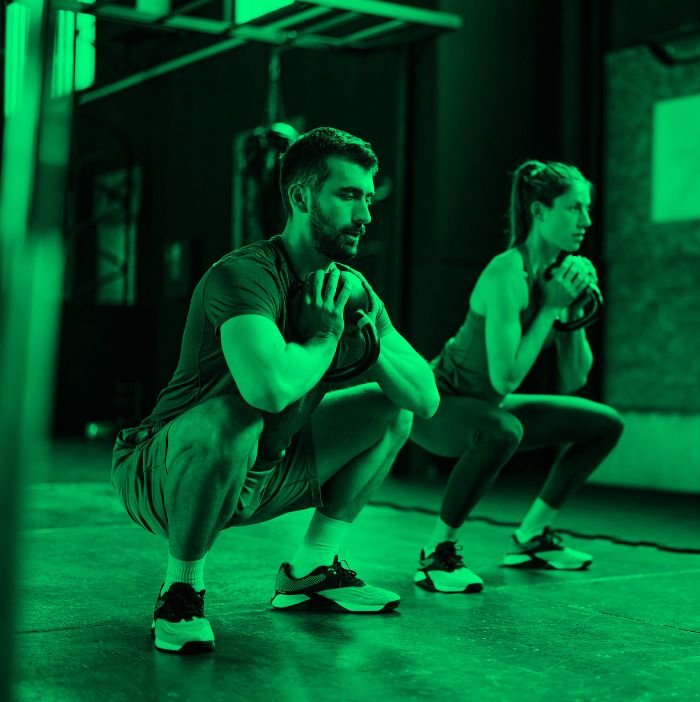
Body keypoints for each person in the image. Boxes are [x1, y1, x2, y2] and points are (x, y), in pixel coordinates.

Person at [111, 127, 439, 654]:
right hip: (165, 471)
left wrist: (371, 351)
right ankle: (182, 589)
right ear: (302, 197)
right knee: (231, 418)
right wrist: (328, 336)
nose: (365, 216)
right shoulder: (243, 275)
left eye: (368, 199)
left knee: (392, 410)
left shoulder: (348, 287)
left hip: (268, 466)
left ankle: (312, 570)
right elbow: (267, 390)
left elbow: (427, 399)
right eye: (349, 195)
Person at [408, 160, 625, 593]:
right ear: (539, 211)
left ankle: (531, 539)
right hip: (436, 404)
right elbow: (505, 377)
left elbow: (573, 378)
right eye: (573, 208)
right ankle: (435, 556)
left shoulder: (558, 277)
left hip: (486, 407)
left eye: (587, 209)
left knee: (603, 424)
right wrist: (549, 308)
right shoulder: (507, 272)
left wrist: (574, 313)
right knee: (503, 430)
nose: (585, 220)